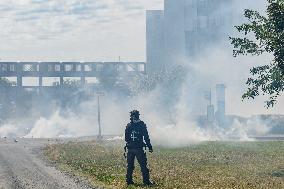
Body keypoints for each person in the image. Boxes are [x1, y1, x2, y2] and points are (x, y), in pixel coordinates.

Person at [125, 110, 153, 186]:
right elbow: (146, 137)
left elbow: (126, 138)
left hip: (130, 148)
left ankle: (129, 181)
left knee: (130, 165)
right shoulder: (142, 124)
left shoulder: (128, 125)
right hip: (138, 149)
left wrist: (131, 143)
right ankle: (146, 182)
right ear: (138, 116)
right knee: (143, 165)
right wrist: (149, 146)